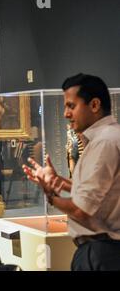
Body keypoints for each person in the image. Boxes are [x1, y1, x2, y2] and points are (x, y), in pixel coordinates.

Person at [22, 73, 120, 271]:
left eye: (71, 106)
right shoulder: (110, 136)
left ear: (94, 105)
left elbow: (81, 210)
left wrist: (50, 194)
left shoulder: (104, 143)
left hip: (101, 255)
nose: (66, 114)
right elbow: (102, 192)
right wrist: (59, 181)